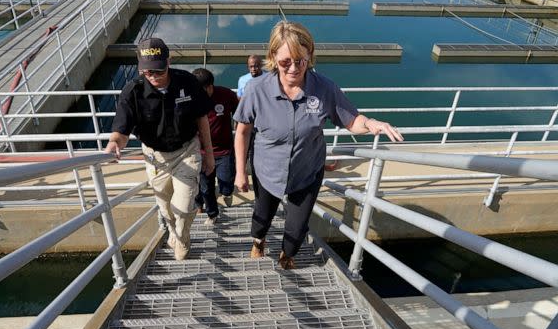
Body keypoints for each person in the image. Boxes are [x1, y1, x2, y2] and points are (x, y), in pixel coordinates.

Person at [233, 21, 403, 270]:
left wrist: (371, 123)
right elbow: (242, 131)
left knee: (297, 226)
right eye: (285, 62)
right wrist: (240, 171)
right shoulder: (256, 90)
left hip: (307, 171)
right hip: (267, 170)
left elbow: (351, 119)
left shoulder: (324, 88)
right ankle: (258, 241)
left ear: (310, 56)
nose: (293, 68)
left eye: (301, 60)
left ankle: (286, 257)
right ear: (273, 58)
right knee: (262, 217)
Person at [105, 37, 215, 261]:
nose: (154, 77)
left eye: (158, 71)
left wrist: (209, 154)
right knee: (165, 210)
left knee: (183, 207)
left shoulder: (187, 82)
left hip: (186, 149)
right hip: (155, 156)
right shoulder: (133, 92)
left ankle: (182, 240)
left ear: (169, 61)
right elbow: (121, 130)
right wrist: (114, 143)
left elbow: (201, 118)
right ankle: (174, 233)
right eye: (148, 73)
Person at [192, 68, 239, 225]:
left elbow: (240, 111)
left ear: (210, 86)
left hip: (224, 150)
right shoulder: (193, 99)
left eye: (202, 89)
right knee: (206, 188)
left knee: (226, 182)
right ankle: (212, 214)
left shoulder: (225, 95)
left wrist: (239, 128)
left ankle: (227, 192)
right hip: (203, 152)